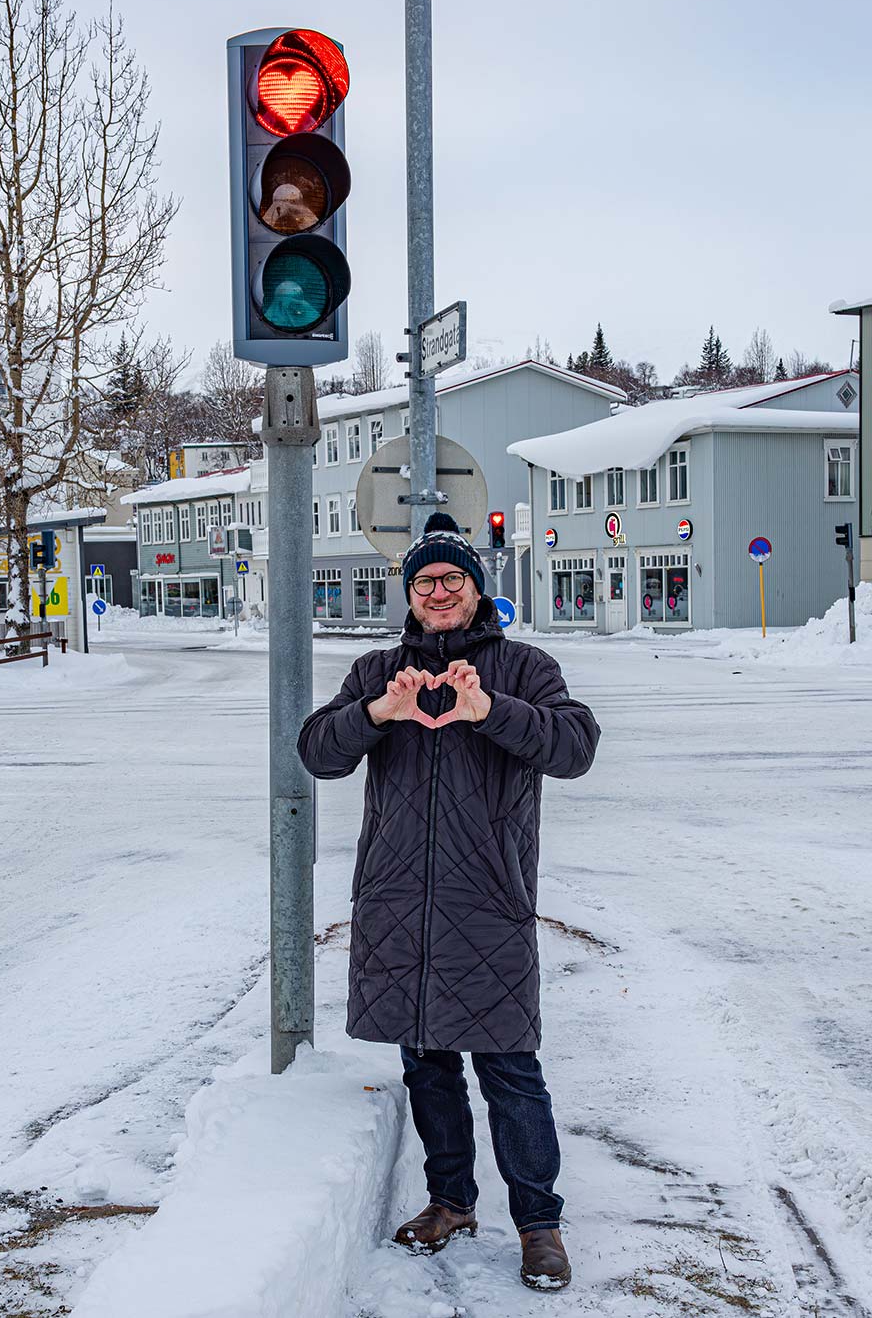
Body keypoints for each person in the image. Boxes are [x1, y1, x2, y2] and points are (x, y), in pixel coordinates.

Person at [297, 512, 600, 1292]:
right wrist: (377, 714)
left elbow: (575, 747)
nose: (438, 591)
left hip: (488, 901)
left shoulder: (523, 668)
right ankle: (450, 1201)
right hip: (399, 900)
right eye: (425, 581)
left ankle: (539, 1224)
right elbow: (316, 752)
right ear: (409, 594)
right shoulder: (377, 672)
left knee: (509, 1068)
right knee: (426, 1059)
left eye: (452, 580)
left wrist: (487, 711)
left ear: (476, 591)